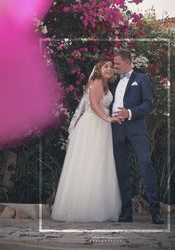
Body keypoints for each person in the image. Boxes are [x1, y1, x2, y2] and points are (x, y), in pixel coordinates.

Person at [51, 60, 122, 222]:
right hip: (93, 125)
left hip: (101, 126)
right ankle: (83, 209)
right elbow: (94, 105)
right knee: (90, 162)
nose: (109, 69)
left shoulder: (105, 86)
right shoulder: (96, 81)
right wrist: (108, 118)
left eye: (111, 67)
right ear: (98, 69)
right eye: (106, 66)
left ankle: (97, 206)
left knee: (99, 164)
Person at [110, 48, 164, 224]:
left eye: (117, 63)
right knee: (122, 170)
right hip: (117, 129)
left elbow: (148, 104)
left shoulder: (142, 79)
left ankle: (155, 211)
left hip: (137, 129)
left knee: (145, 164)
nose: (114, 66)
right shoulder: (113, 81)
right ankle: (126, 212)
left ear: (126, 62)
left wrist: (130, 113)